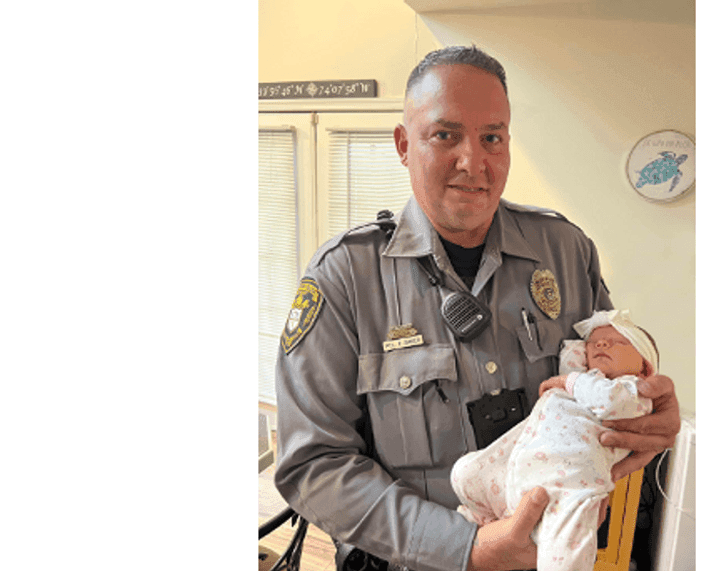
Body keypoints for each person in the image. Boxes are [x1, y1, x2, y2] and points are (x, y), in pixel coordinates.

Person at [273, 45, 681, 571]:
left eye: (492, 137)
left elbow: (609, 368)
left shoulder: (566, 250)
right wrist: (467, 549)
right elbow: (314, 465)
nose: (474, 161)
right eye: (445, 135)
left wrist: (648, 409)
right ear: (403, 145)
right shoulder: (344, 278)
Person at [451, 310, 658, 571]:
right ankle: (483, 524)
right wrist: (580, 351)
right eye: (595, 343)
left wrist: (569, 380)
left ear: (645, 368)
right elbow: (570, 356)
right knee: (465, 473)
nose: (602, 344)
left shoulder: (634, 391)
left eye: (618, 342)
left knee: (564, 556)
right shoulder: (584, 380)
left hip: (570, 485)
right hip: (518, 468)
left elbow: (608, 400)